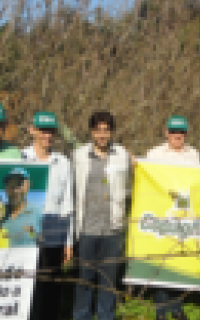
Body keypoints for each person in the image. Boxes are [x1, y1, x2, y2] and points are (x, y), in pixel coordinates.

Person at [72, 111, 132, 320]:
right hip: (86, 229)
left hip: (112, 230)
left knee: (108, 281)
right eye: (98, 130)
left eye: (106, 130)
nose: (102, 135)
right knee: (85, 280)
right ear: (91, 132)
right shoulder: (78, 156)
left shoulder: (123, 156)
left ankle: (106, 315)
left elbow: (133, 185)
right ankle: (82, 316)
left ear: (112, 132)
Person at [145, 116, 200, 320]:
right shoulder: (154, 154)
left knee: (179, 262)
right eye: (174, 131)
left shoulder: (194, 154)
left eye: (181, 132)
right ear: (166, 132)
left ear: (186, 134)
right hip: (161, 214)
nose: (178, 135)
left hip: (184, 214)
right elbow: (146, 180)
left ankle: (177, 308)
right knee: (161, 263)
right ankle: (161, 310)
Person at [22, 112, 75, 320]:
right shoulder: (20, 157)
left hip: (54, 233)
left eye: (51, 131)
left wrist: (68, 242)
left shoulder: (63, 162)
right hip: (25, 234)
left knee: (51, 289)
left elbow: (67, 204)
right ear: (32, 130)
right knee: (27, 288)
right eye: (43, 130)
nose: (47, 135)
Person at [1, 168, 43, 247]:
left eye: (19, 185)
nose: (15, 191)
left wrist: (32, 232)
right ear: (6, 188)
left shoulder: (39, 213)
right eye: (11, 186)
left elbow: (42, 243)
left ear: (28, 186)